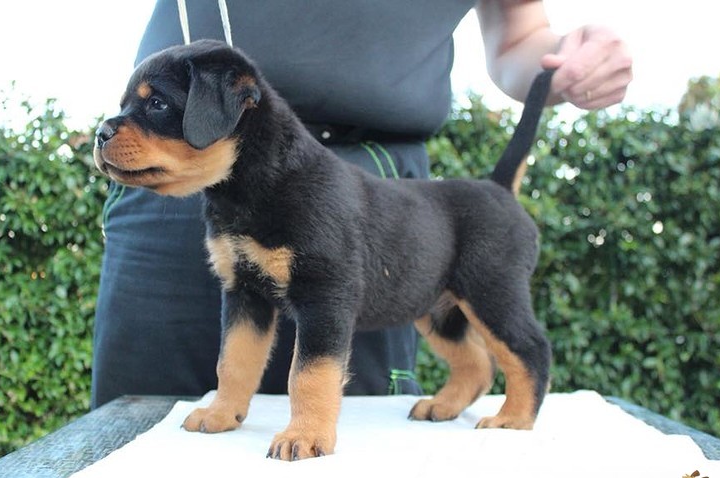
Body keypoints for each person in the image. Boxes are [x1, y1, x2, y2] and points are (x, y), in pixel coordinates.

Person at [91, 0, 633, 408]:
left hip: (383, 192)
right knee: (138, 426)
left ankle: (497, 387)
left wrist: (557, 62)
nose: (113, 128)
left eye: (150, 105)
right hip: (184, 184)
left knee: (357, 454)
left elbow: (521, 34)